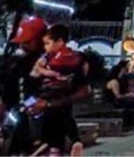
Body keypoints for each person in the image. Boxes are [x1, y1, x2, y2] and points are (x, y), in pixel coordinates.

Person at [27, 23, 90, 156]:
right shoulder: (77, 58)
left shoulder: (50, 58)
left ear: (60, 41)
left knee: (49, 124)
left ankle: (47, 146)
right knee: (65, 117)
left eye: (48, 43)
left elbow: (34, 75)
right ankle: (74, 140)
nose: (46, 47)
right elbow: (83, 88)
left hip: (48, 97)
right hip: (63, 97)